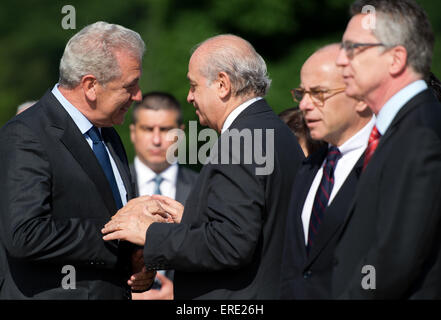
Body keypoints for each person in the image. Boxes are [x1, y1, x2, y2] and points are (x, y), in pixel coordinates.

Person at [102, 34, 305, 299]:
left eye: (194, 86)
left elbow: (229, 245)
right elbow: (252, 228)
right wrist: (192, 220)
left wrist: (150, 232)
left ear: (222, 84)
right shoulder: (275, 132)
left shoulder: (242, 141)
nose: (189, 97)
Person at [0, 21, 155, 299]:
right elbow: (25, 235)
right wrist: (121, 235)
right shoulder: (26, 134)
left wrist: (138, 258)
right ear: (91, 85)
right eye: (130, 86)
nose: (139, 95)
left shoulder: (107, 132)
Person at [332, 0, 441, 299]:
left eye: (353, 48)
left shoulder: (421, 134)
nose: (341, 60)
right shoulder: (399, 130)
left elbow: (395, 257)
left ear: (396, 59)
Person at [280, 44, 374, 299]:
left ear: (361, 94)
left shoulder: (392, 161)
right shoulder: (308, 168)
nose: (305, 105)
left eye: (319, 93)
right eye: (302, 94)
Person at [129, 91, 199, 300]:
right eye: (148, 129)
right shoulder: (110, 185)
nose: (157, 140)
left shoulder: (203, 188)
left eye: (166, 129)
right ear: (133, 132)